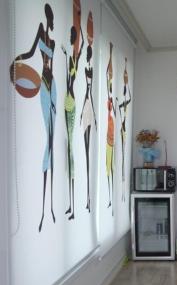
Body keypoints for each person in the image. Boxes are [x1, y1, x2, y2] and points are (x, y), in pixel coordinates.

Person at [13, 4, 56, 231]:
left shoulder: (55, 43)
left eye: (51, 18)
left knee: (54, 145)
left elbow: (53, 65)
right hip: (44, 87)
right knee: (47, 145)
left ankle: (50, 206)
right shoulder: (41, 30)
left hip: (54, 88)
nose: (50, 21)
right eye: (49, 16)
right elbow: (30, 54)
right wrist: (15, 61)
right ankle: (42, 209)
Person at [62, 25, 84, 220]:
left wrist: (83, 36)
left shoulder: (74, 58)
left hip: (72, 104)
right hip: (66, 104)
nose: (71, 38)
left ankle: (73, 206)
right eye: (71, 35)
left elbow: (82, 45)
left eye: (72, 35)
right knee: (68, 149)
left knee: (70, 152)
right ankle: (71, 205)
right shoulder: (68, 55)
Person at [81, 43, 96, 212]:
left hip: (89, 110)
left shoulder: (90, 69)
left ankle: (88, 198)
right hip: (86, 109)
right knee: (86, 153)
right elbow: (87, 93)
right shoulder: (84, 67)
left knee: (88, 154)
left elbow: (90, 94)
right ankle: (87, 198)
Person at [118, 58, 131, 202]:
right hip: (121, 129)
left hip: (124, 130)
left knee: (122, 159)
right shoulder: (122, 104)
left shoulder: (125, 102)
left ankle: (122, 193)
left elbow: (130, 97)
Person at [106, 43, 116, 212]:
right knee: (108, 167)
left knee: (111, 167)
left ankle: (110, 198)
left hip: (113, 135)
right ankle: (109, 198)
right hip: (109, 136)